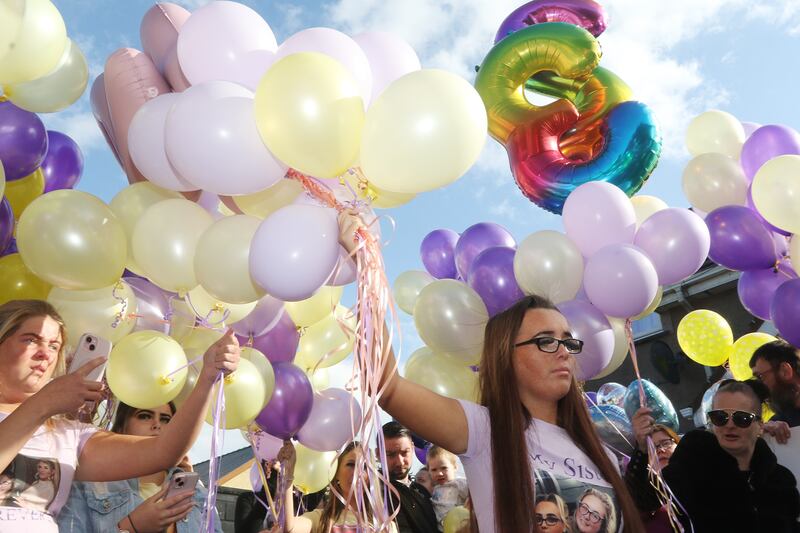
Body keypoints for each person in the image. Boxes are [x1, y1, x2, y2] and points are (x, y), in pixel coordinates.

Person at [341, 213, 644, 533]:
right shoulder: (483, 431)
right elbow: (387, 385)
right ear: (506, 358)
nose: (563, 350)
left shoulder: (604, 455)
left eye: (568, 340)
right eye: (546, 341)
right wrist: (365, 269)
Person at [0, 299, 239, 532]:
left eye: (54, 346)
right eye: (31, 340)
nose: (45, 353)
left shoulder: (67, 434)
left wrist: (207, 378)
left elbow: (163, 452)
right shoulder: (44, 407)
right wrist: (43, 403)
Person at [627, 379, 800, 532]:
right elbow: (644, 501)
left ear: (760, 425)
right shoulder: (693, 466)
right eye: (720, 417)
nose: (729, 425)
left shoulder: (780, 480)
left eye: (742, 418)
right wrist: (642, 449)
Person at [58, 401, 221, 532]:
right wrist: (130, 527)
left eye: (166, 419)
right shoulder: (88, 485)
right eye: (144, 416)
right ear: (121, 427)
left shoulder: (198, 493)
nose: (157, 425)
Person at [275, 441, 398, 533]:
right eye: (351, 464)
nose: (358, 473)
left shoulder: (385, 525)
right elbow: (289, 527)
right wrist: (288, 475)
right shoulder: (321, 519)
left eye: (365, 467)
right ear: (336, 473)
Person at [382, 422, 438, 533]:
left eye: (404, 453)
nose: (399, 461)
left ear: (412, 448)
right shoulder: (377, 491)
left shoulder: (422, 491)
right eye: (391, 454)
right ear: (379, 453)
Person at [623, 421, 679, 533]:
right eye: (652, 448)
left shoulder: (699, 477)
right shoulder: (646, 499)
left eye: (666, 443)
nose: (661, 450)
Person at [750, 339, 800, 443]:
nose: (759, 386)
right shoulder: (781, 424)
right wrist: (764, 431)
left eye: (760, 377)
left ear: (785, 371)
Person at [426, 446, 468, 531]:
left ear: (455, 467)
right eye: (434, 470)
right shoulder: (434, 488)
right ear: (429, 471)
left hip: (459, 527)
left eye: (444, 468)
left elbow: (475, 495)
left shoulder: (458, 484)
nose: (439, 473)